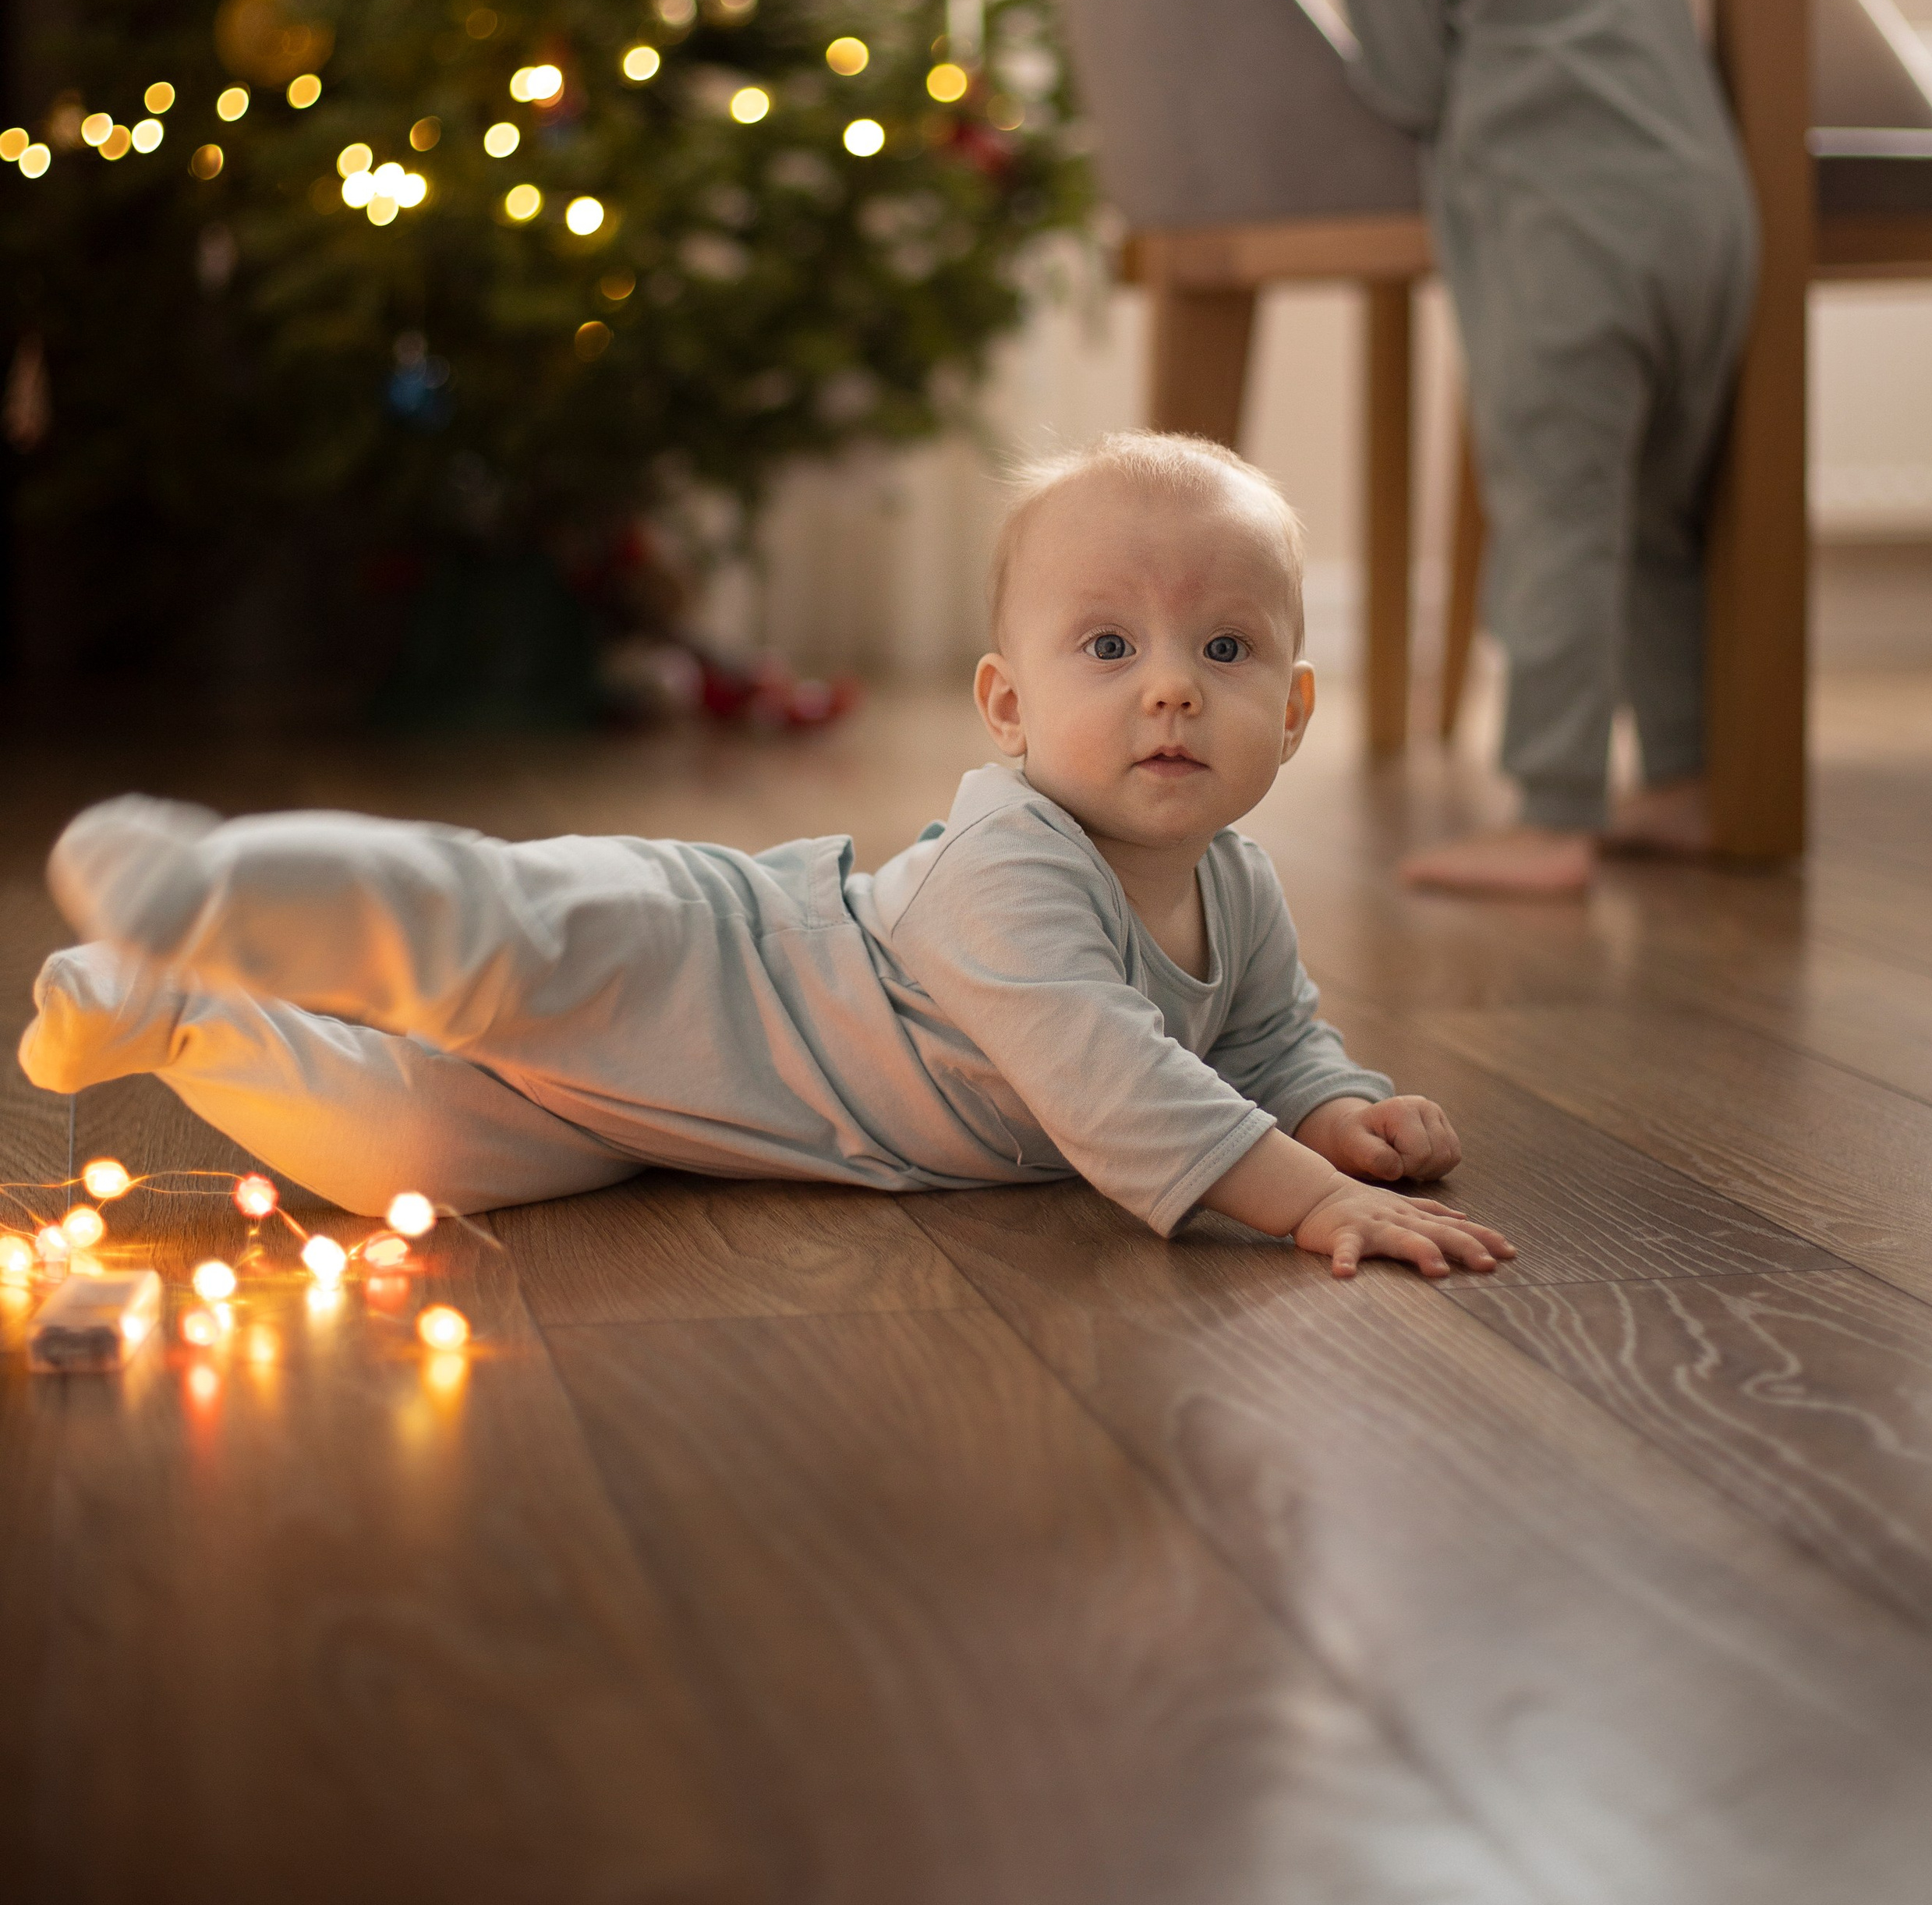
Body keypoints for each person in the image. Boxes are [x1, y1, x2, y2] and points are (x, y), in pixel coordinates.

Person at [22, 434, 1513, 1280]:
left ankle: (167, 1017)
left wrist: (1333, 1113)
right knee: (483, 929)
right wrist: (1309, 1203)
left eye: (1227, 648)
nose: (1170, 685)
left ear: (1297, 711)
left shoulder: (1235, 888)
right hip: (709, 960)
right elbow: (1116, 1083)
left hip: (704, 1119)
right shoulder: (1017, 861)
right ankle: (211, 891)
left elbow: (1266, 1036)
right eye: (1108, 645)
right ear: (1008, 706)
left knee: (415, 1150)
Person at [1143, 0, 1758, 898]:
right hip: (1705, 211)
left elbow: (1415, 83)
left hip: (1561, 227)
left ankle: (1549, 814)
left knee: (1556, 514)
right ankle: (1692, 774)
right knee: (1657, 511)